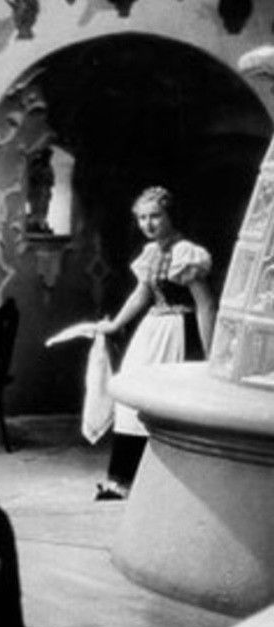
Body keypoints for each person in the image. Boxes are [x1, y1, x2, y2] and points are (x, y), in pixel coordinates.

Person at [95, 186, 215, 500]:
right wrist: (116, 324)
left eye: (155, 216)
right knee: (130, 397)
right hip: (152, 329)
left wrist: (210, 351)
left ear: (170, 216)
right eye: (142, 218)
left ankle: (161, 482)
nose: (148, 224)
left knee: (166, 402)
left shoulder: (185, 253)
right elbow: (142, 294)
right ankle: (122, 479)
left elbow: (205, 304)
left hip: (179, 331)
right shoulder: (151, 253)